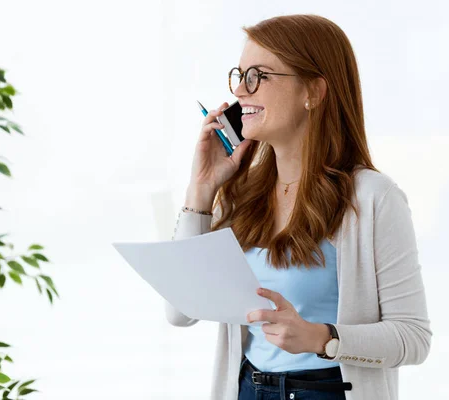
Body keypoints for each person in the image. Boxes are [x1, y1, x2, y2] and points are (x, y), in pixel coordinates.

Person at [165, 14, 432, 400]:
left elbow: (413, 337)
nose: (241, 90)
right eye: (239, 75)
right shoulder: (242, 192)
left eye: (258, 75)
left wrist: (321, 337)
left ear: (313, 92)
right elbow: (180, 311)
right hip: (248, 389)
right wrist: (200, 191)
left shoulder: (374, 197)